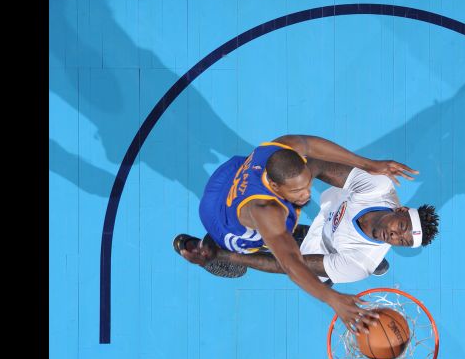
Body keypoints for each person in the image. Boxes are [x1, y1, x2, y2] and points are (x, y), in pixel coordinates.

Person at [174, 135, 417, 333]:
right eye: (298, 190)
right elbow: (289, 265)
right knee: (258, 248)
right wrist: (331, 298)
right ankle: (214, 254)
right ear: (276, 187)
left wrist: (369, 164)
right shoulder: (268, 212)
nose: (305, 195)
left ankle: (319, 240)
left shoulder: (277, 149)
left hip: (231, 174)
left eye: (306, 185)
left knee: (293, 218)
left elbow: (311, 146)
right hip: (222, 220)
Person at [178, 157, 440, 286]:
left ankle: (221, 256)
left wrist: (229, 258)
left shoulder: (358, 263)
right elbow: (317, 165)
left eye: (402, 243)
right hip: (329, 216)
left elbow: (291, 265)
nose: (394, 238)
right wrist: (293, 182)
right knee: (291, 214)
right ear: (402, 210)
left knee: (275, 246)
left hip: (322, 253)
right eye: (400, 229)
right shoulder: (378, 189)